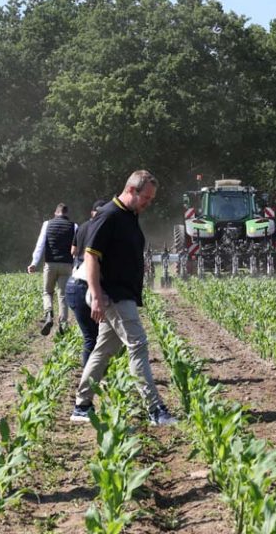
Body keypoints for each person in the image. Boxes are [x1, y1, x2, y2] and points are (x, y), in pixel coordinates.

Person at [69, 170, 177, 426]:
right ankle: (155, 410)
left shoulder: (129, 216)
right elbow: (91, 256)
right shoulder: (109, 215)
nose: (148, 204)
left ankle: (81, 406)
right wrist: (96, 296)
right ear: (131, 190)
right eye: (146, 198)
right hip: (112, 295)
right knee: (138, 344)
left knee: (104, 349)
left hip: (122, 293)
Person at [66, 199, 106, 366]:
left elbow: (73, 251)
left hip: (78, 276)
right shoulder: (103, 228)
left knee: (92, 336)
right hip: (88, 280)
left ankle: (93, 375)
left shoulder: (82, 227)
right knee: (94, 337)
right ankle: (90, 377)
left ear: (92, 212)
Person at [28, 203, 77, 335]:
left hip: (50, 264)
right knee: (63, 295)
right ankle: (63, 323)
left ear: (56, 213)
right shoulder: (74, 226)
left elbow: (40, 245)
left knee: (47, 292)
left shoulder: (47, 224)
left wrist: (34, 263)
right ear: (67, 213)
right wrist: (76, 266)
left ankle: (49, 314)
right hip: (67, 265)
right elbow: (76, 249)